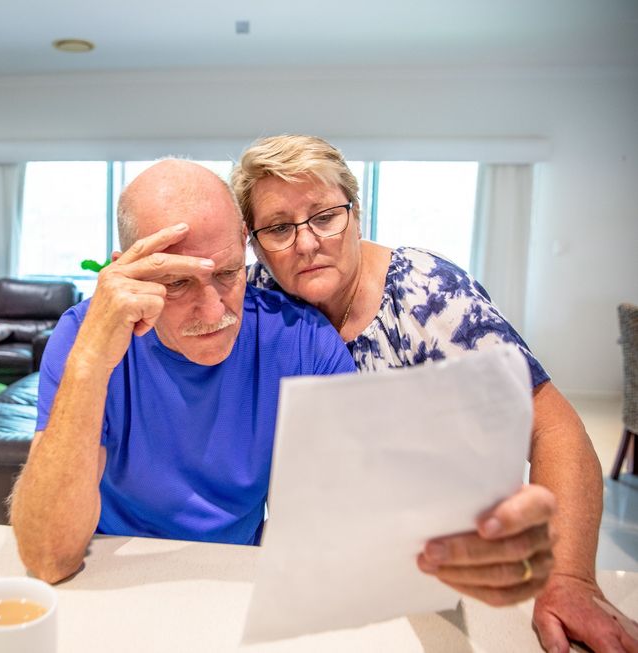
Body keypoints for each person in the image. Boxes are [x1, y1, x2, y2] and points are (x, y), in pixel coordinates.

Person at [232, 134, 636, 653]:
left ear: (357, 213)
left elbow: (553, 425)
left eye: (325, 216)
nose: (306, 243)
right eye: (279, 228)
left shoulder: (427, 293)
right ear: (256, 240)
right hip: (327, 571)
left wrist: (570, 579)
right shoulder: (258, 294)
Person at [9, 160, 355, 583]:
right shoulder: (85, 335)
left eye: (228, 273)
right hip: (109, 572)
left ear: (245, 244)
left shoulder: (301, 340)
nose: (214, 312)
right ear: (128, 271)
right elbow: (48, 557)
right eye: (176, 283)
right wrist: (90, 362)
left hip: (238, 578)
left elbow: (335, 528)